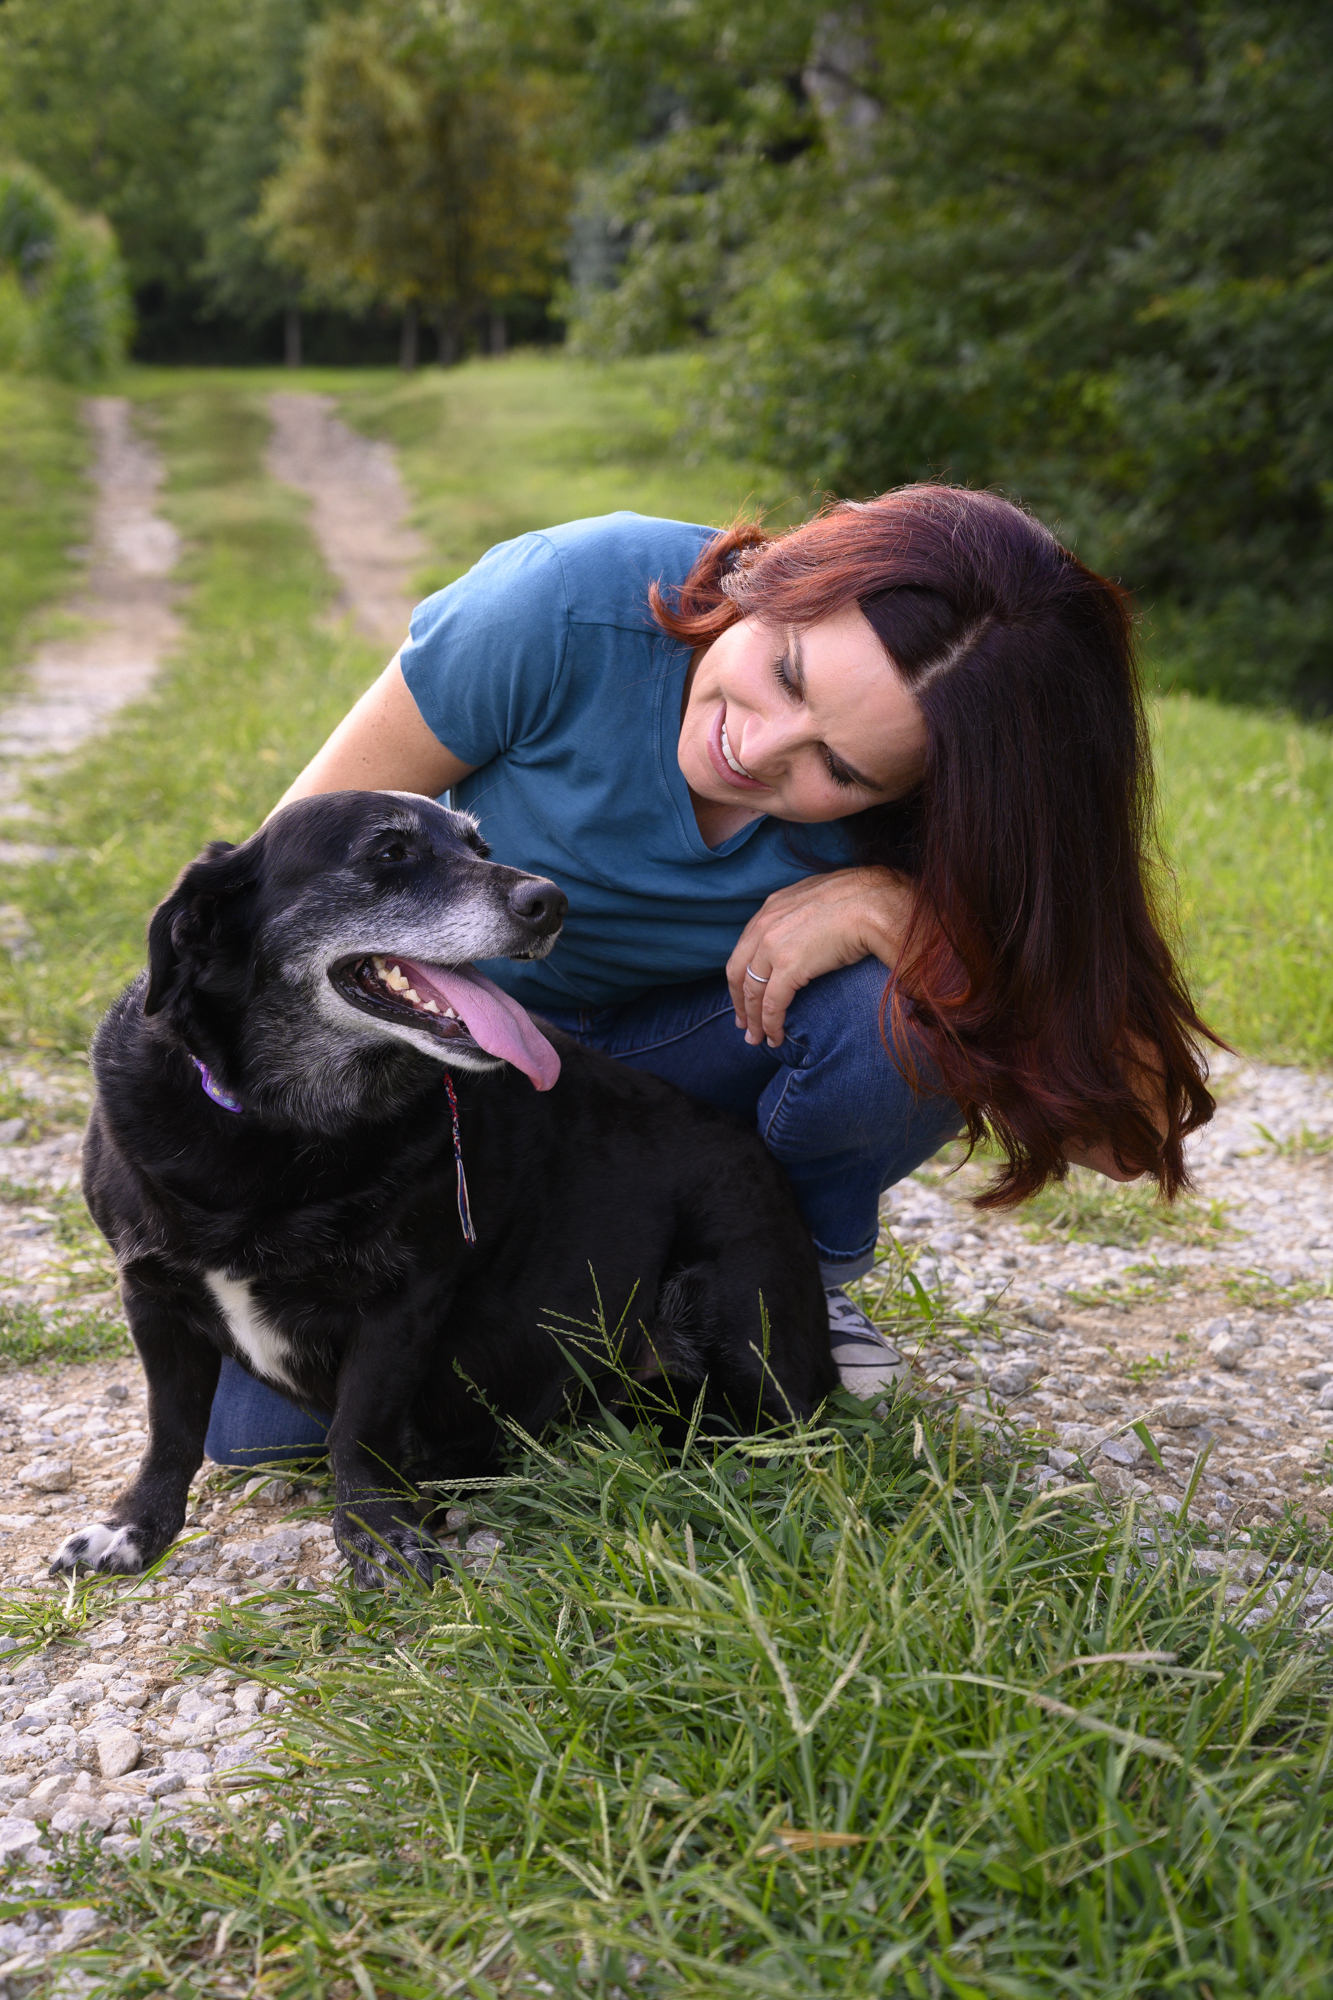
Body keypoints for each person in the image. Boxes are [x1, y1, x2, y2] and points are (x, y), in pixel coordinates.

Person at [202, 484, 1217, 1467]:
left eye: (842, 771)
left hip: (667, 1096)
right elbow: (272, 903)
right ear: (778, 580)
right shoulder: (564, 601)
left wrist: (914, 917)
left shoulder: (953, 807)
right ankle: (613, 1310)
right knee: (267, 1437)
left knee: (907, 1005)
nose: (758, 747)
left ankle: (775, 1283)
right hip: (446, 1076)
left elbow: (1125, 1131)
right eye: (785, 672)